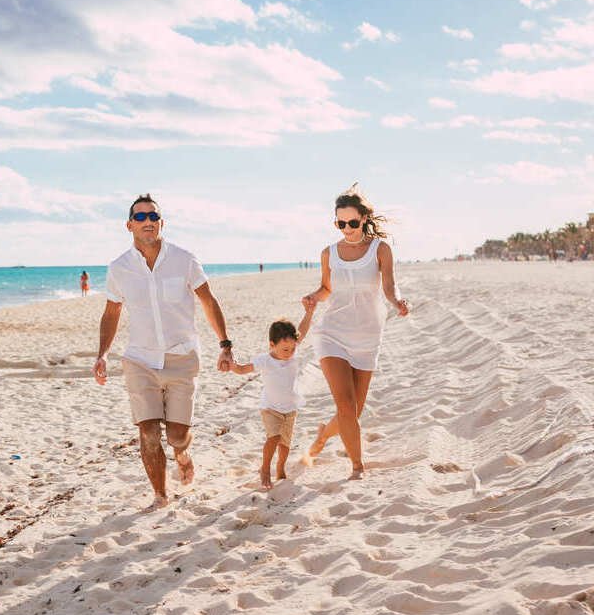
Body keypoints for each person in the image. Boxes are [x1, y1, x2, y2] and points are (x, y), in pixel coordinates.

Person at [93, 194, 234, 509]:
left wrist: (225, 343)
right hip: (139, 359)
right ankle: (160, 496)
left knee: (177, 436)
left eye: (153, 217)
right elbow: (112, 313)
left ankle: (182, 453)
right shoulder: (119, 268)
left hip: (182, 357)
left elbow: (208, 301)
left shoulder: (184, 259)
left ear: (161, 223)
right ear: (129, 225)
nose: (147, 222)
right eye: (140, 217)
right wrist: (102, 353)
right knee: (148, 433)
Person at [301, 184, 409, 479]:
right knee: (346, 407)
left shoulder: (380, 250)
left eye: (351, 222)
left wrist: (397, 301)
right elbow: (326, 288)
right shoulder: (329, 253)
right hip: (332, 333)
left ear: (363, 219)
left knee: (354, 412)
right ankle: (357, 467)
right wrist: (313, 296)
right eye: (340, 223)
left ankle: (323, 435)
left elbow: (388, 286)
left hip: (367, 337)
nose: (346, 228)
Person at [229, 303, 315, 490]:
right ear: (272, 345)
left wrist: (309, 312)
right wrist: (232, 365)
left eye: (292, 348)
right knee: (274, 438)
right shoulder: (265, 361)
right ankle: (265, 468)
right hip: (270, 408)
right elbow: (244, 369)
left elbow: (302, 330)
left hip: (290, 408)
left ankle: (280, 467)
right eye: (285, 349)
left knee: (285, 445)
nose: (290, 352)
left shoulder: (291, 351)